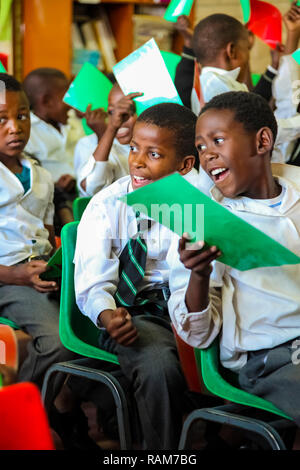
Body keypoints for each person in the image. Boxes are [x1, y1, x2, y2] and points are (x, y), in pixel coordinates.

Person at [168, 91, 300, 436]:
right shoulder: (201, 219)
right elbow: (196, 335)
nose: (207, 154)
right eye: (200, 147)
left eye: (218, 140)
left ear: (263, 141)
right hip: (270, 354)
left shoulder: (296, 186)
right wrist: (199, 273)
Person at [74, 102, 203, 450]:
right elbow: (92, 282)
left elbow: (192, 282)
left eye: (154, 154)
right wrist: (106, 314)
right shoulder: (107, 205)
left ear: (185, 165)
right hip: (131, 314)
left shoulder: (197, 207)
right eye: (133, 148)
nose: (137, 161)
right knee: (159, 365)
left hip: (188, 309)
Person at [0, 73, 99, 450]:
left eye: (22, 116)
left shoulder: (38, 173)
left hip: (37, 273)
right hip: (7, 279)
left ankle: (74, 409)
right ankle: (26, 412)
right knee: (59, 340)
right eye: (1, 119)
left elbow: (41, 235)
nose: (15, 127)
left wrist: (54, 260)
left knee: (93, 322)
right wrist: (16, 275)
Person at [189, 7, 300, 164]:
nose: (247, 57)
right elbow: (262, 131)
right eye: (246, 50)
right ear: (232, 51)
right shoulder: (219, 90)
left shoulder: (209, 82)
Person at [74, 83, 142, 197]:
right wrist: (111, 129)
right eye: (112, 112)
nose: (118, 119)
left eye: (126, 112)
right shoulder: (113, 153)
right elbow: (90, 188)